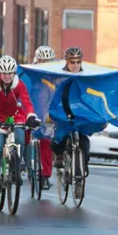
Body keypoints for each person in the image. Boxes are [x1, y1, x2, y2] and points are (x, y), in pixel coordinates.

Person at [0, 56, 41, 195]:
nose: (7, 76)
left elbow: (26, 101)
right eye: (4, 73)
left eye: (10, 73)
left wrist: (31, 116)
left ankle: (16, 170)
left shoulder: (19, 84)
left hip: (15, 117)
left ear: (14, 73)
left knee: (20, 140)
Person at [49, 47, 90, 179]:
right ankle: (60, 156)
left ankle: (83, 164)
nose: (76, 65)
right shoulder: (59, 77)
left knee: (83, 141)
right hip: (63, 110)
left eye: (78, 62)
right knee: (60, 138)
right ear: (67, 63)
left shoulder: (86, 76)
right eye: (72, 62)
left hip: (79, 112)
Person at [31, 45, 58, 189]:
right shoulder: (31, 74)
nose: (45, 64)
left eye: (48, 60)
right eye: (42, 60)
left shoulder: (57, 76)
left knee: (46, 142)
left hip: (49, 113)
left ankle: (45, 175)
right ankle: (21, 163)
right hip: (32, 111)